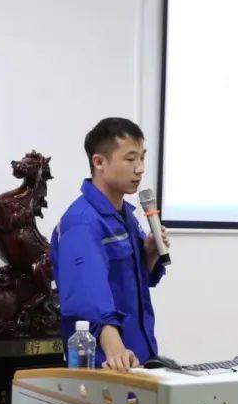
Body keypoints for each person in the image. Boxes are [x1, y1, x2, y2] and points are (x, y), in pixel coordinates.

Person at [51, 117, 169, 372]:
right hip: (105, 364)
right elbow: (87, 294)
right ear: (99, 162)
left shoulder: (126, 216)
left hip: (138, 358)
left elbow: (128, 282)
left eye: (142, 158)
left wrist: (149, 255)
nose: (140, 169)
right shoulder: (81, 223)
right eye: (130, 159)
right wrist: (115, 349)